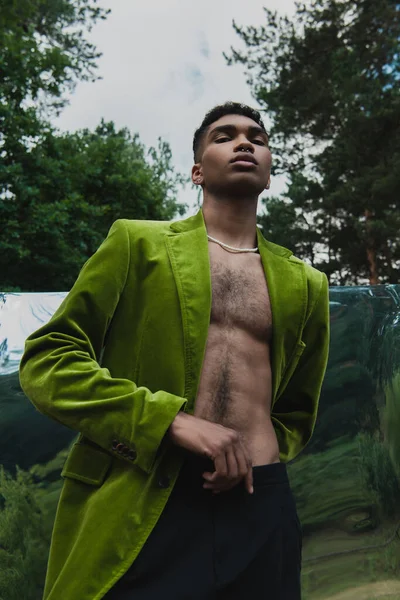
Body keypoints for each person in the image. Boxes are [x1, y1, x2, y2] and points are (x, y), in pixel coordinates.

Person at [19, 101, 330, 600]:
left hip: (260, 502)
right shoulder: (135, 244)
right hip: (145, 492)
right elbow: (48, 360)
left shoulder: (307, 283)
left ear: (270, 174)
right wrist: (168, 422)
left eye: (258, 137)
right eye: (224, 136)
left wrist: (255, 454)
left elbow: (296, 410)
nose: (245, 142)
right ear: (197, 170)